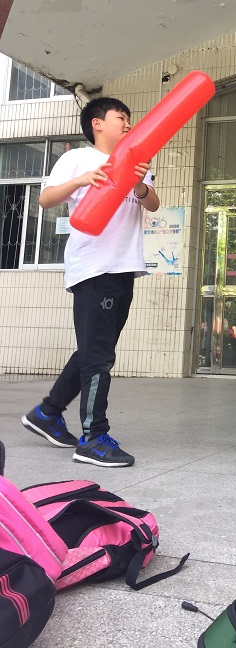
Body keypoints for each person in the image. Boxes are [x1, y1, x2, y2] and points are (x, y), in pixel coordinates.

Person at [21, 97, 159, 467]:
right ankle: (93, 438)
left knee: (93, 350)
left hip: (125, 268)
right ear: (97, 123)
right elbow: (46, 200)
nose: (127, 124)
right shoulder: (79, 158)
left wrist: (140, 184)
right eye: (120, 117)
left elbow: (152, 204)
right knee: (99, 356)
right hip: (94, 268)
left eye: (129, 119)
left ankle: (47, 413)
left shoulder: (137, 160)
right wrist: (82, 181)